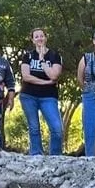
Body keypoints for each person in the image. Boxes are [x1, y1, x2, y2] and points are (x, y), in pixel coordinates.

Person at [18, 27, 64, 156]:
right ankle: (36, 154)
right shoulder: (27, 56)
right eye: (36, 36)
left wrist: (42, 60)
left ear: (46, 38)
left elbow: (54, 75)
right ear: (33, 40)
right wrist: (45, 82)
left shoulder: (54, 56)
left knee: (57, 128)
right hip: (28, 95)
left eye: (41, 36)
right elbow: (26, 76)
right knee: (34, 127)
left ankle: (55, 155)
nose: (39, 38)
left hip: (48, 96)